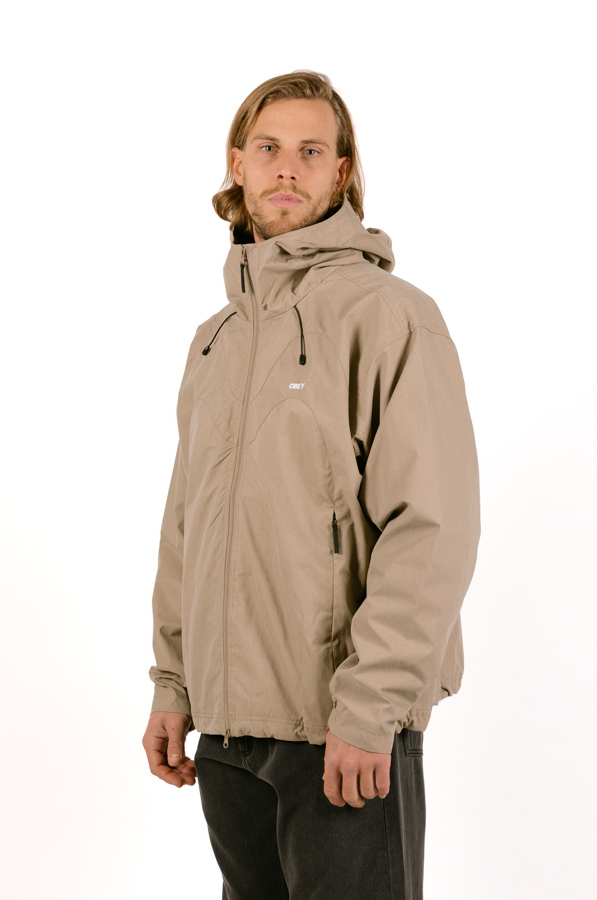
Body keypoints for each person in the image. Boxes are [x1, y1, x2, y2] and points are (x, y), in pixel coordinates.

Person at [142, 70, 481, 900]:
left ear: (342, 172)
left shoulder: (389, 315)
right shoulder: (215, 340)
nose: (287, 168)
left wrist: (370, 707)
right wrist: (174, 682)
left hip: (340, 734)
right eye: (268, 148)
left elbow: (432, 527)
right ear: (238, 164)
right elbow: (187, 525)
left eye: (311, 151)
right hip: (227, 740)